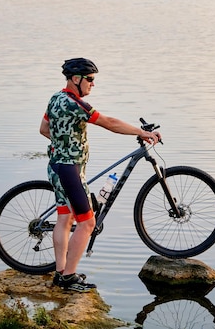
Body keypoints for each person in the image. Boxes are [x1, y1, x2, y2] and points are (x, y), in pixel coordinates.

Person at [39, 57, 161, 293]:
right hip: (70, 169)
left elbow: (44, 129)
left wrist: (64, 144)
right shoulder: (76, 104)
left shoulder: (56, 98)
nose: (93, 84)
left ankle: (61, 272)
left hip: (56, 165)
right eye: (90, 80)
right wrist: (141, 133)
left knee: (65, 219)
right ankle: (69, 277)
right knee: (87, 223)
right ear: (76, 79)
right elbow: (109, 123)